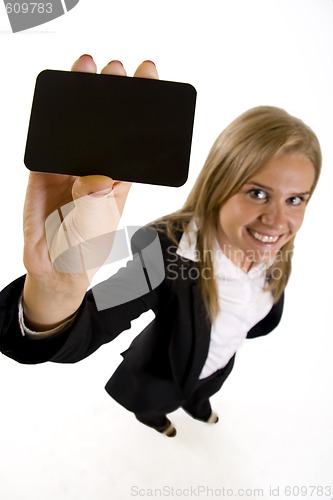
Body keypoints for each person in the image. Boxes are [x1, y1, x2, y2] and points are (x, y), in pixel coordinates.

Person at [0, 55, 321, 438]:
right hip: (161, 372)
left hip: (215, 364)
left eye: (296, 200)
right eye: (257, 193)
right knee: (155, 402)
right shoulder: (165, 252)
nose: (278, 221)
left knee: (202, 390)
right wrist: (54, 289)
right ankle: (154, 418)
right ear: (221, 182)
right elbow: (97, 321)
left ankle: (198, 404)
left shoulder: (275, 248)